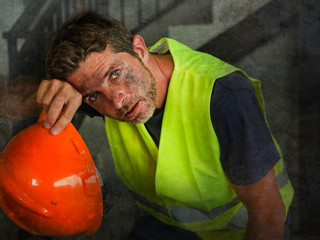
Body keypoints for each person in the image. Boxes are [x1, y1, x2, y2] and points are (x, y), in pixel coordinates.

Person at [36, 11, 294, 240]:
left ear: (139, 49)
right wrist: (45, 92)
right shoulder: (98, 92)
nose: (116, 101)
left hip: (238, 232)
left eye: (115, 74)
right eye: (93, 95)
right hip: (165, 227)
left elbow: (267, 215)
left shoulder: (225, 94)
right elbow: (12, 100)